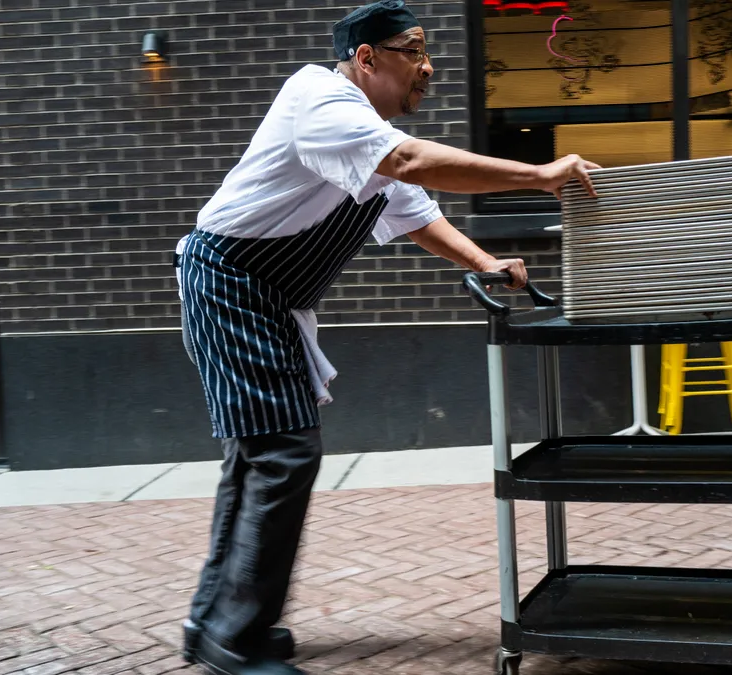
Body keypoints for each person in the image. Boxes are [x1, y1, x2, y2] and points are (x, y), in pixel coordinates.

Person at [174, 2, 599, 673]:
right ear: (365, 58)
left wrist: (485, 264)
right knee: (280, 453)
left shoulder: (364, 135)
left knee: (257, 454)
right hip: (231, 283)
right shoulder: (320, 98)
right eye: (411, 51)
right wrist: (538, 176)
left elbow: (418, 215)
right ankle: (236, 635)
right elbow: (408, 161)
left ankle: (216, 622)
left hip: (265, 297)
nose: (427, 67)